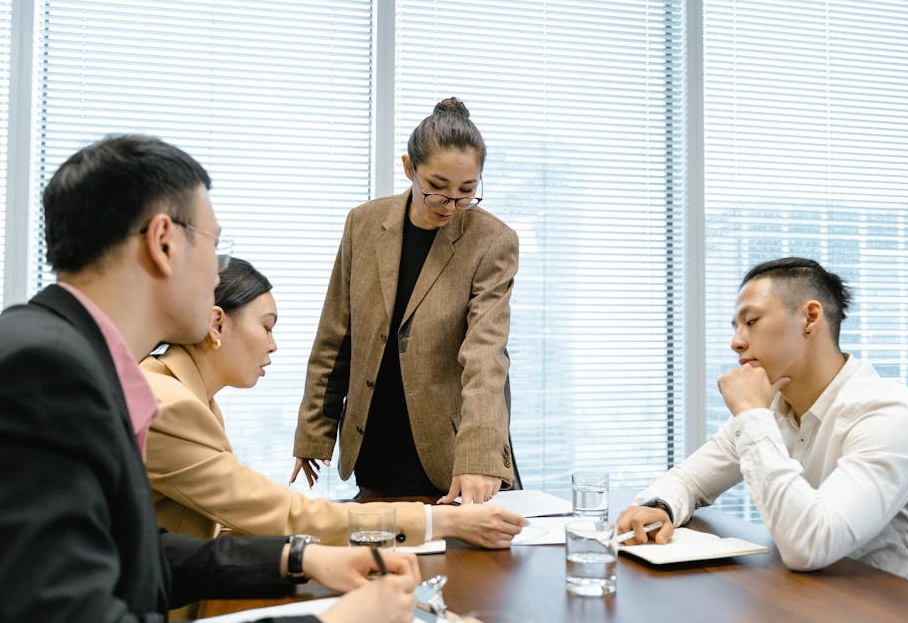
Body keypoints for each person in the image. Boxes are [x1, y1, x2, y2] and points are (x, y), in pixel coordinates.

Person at [0, 134, 420, 623]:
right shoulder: (46, 372)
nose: (218, 275)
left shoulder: (69, 355)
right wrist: (334, 621)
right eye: (215, 248)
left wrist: (300, 558)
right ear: (163, 242)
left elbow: (130, 553)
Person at [141, 257, 526, 550]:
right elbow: (282, 513)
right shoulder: (169, 405)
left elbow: (233, 514)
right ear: (217, 323)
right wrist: (443, 522)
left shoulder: (184, 392)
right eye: (267, 327)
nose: (273, 345)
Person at [615, 257, 908, 588]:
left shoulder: (891, 416)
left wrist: (751, 415)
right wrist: (660, 507)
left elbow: (810, 546)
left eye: (751, 321)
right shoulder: (772, 408)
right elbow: (688, 480)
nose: (736, 342)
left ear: (810, 318)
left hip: (899, 605)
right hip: (812, 597)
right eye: (736, 327)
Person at [291, 97, 520, 504]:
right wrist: (314, 433)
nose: (451, 204)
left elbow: (486, 355)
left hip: (453, 461)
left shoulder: (492, 241)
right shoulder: (363, 225)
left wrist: (479, 455)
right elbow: (335, 337)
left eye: (466, 191)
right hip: (375, 445)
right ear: (409, 168)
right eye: (437, 189)